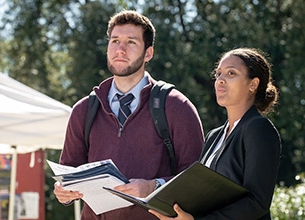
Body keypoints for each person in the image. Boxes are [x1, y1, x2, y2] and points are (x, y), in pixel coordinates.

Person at [53, 10, 204, 220]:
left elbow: (196, 179)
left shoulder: (176, 106)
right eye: (115, 41)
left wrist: (154, 186)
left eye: (131, 42)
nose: (120, 50)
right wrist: (64, 192)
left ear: (148, 53)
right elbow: (69, 171)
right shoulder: (84, 109)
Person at [150, 47, 282, 220]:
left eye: (231, 73)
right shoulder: (214, 136)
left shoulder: (258, 129)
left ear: (253, 84)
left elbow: (257, 202)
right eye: (218, 74)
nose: (220, 80)